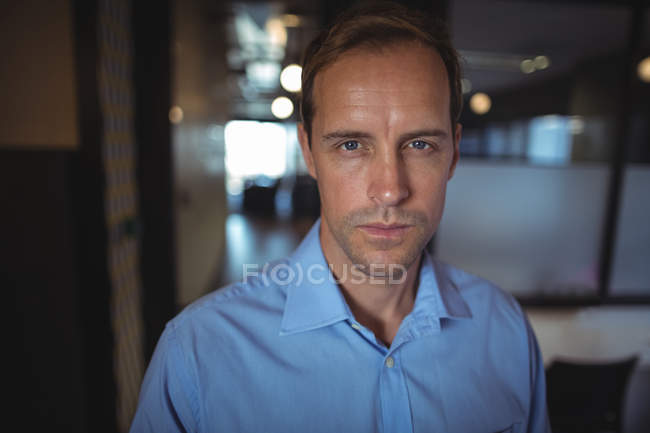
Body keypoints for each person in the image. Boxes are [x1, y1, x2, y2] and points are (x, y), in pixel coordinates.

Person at [130, 3, 550, 432]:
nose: (390, 189)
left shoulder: (505, 331)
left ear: (454, 153)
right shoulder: (198, 355)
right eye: (351, 145)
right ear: (309, 151)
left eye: (420, 144)